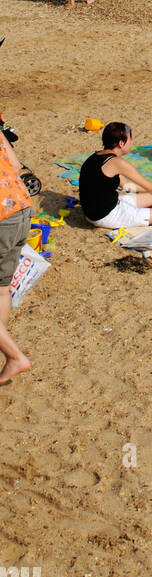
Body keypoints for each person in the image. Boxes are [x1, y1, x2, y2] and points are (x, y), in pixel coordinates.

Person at [0, 124, 34, 383]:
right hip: (20, 207)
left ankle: (14, 356)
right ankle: (5, 343)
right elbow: (15, 164)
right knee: (1, 289)